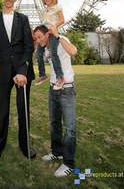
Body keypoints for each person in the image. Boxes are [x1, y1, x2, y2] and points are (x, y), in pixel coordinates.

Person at [0, 0, 36, 163]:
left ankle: (24, 144)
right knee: (3, 109)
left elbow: (29, 47)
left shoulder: (23, 19)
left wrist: (22, 72)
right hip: (5, 68)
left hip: (23, 70)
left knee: (23, 108)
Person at [33, 24, 77, 177]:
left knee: (70, 128)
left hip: (67, 88)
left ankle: (69, 163)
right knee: (54, 123)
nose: (38, 40)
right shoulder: (45, 48)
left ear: (47, 34)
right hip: (53, 88)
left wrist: (57, 35)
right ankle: (57, 152)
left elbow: (73, 51)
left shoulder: (60, 39)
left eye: (40, 37)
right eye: (36, 38)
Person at [34, 0, 65, 90]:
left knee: (52, 53)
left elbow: (62, 20)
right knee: (38, 53)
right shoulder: (44, 11)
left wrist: (53, 27)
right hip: (45, 34)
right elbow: (44, 23)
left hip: (52, 34)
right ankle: (42, 75)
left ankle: (60, 77)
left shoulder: (57, 7)